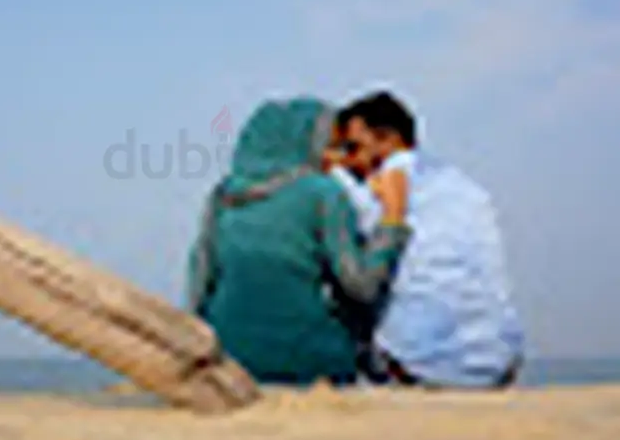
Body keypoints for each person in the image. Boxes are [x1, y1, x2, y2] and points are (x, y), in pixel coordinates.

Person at [185, 96, 412, 386]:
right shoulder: (323, 194)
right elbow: (362, 287)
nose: (335, 160)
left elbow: (200, 282)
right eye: (330, 146)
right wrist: (393, 219)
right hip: (308, 363)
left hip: (230, 359)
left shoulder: (222, 195)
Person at [336, 90, 525, 389]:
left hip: (422, 366)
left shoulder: (382, 186)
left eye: (353, 147)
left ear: (387, 140)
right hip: (500, 361)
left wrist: (331, 168)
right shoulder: (464, 186)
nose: (350, 160)